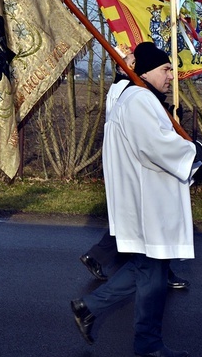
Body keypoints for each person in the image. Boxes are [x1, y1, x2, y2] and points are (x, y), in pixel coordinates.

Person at [71, 42, 202, 357]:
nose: (170, 75)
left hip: (149, 197)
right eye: (165, 69)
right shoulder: (139, 100)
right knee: (152, 271)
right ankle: (145, 341)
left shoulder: (138, 98)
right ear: (145, 71)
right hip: (150, 200)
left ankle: (92, 310)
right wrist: (196, 153)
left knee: (151, 269)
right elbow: (158, 147)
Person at [80, 45, 190, 289]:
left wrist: (169, 116)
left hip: (135, 172)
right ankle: (96, 300)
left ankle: (104, 261)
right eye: (166, 70)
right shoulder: (129, 91)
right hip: (139, 172)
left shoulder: (132, 90)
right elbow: (151, 139)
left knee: (136, 223)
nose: (171, 76)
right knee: (146, 223)